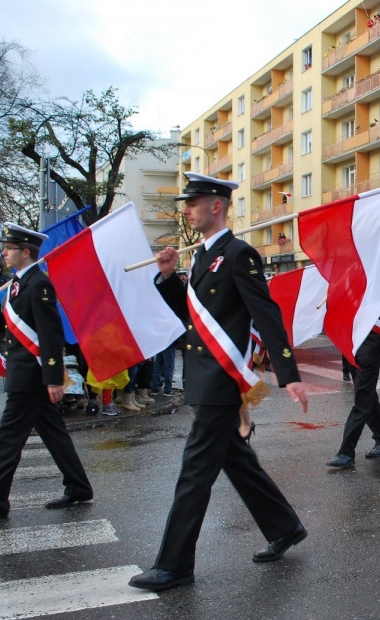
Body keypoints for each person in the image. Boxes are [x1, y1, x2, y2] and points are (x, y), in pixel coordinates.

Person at [130, 172, 309, 592]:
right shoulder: (203, 257)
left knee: (194, 472)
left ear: (216, 205)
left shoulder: (238, 254)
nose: (186, 210)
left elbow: (266, 314)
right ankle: (285, 527)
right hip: (205, 375)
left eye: (193, 203)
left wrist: (289, 374)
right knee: (235, 460)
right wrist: (170, 277)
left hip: (220, 381)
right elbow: (192, 316)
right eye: (186, 204)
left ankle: (174, 565)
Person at [0, 224, 94, 523]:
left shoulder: (38, 284)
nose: (4, 252)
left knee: (8, 439)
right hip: (26, 371)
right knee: (54, 434)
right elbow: (13, 326)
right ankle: (79, 487)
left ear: (26, 252)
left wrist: (54, 378)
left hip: (31, 375)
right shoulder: (17, 283)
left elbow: (49, 333)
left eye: (9, 248)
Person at [326, 295, 380, 468]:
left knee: (362, 399)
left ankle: (346, 452)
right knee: (368, 397)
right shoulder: (349, 282)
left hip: (370, 344)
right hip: (352, 345)